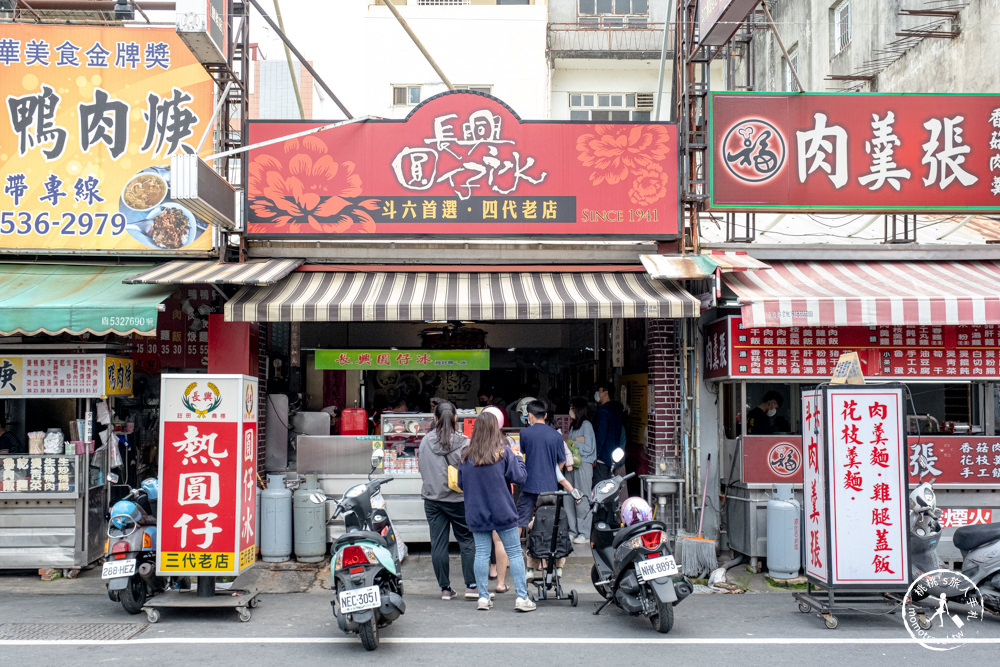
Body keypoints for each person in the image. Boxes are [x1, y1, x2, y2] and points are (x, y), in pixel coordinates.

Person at [457, 410, 535, 612]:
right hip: (502, 510)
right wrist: (518, 458)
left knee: (481, 553)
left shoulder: (466, 455)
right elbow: (520, 477)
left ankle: (483, 597)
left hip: (477, 511)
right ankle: (521, 597)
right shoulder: (503, 453)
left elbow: (460, 484)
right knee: (515, 552)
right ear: (495, 429)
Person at [418, 401, 479, 601]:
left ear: (435, 419)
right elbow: (472, 471)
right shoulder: (464, 442)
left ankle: (445, 589)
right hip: (459, 499)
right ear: (455, 418)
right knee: (467, 541)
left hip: (433, 499)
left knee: (438, 544)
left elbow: (422, 467)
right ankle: (471, 587)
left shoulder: (425, 441)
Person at [515, 399, 566, 532]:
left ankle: (515, 551)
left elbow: (524, 452)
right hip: (549, 486)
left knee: (520, 520)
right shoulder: (556, 436)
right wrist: (553, 471)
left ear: (530, 415)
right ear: (545, 415)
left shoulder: (525, 433)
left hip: (529, 484)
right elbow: (562, 461)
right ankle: (547, 550)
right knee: (549, 520)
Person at [565, 397, 596, 543]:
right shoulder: (573, 426)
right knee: (568, 496)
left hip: (583, 464)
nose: (570, 410)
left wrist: (573, 444)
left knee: (582, 497)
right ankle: (573, 529)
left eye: (572, 407)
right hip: (571, 465)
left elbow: (588, 448)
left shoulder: (586, 425)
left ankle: (584, 532)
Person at [593, 380, 623, 485]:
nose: (597, 394)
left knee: (600, 487)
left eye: (599, 391)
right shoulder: (616, 410)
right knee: (610, 486)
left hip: (602, 456)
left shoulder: (603, 411)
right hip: (613, 456)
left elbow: (601, 434)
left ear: (606, 392)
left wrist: (595, 455)